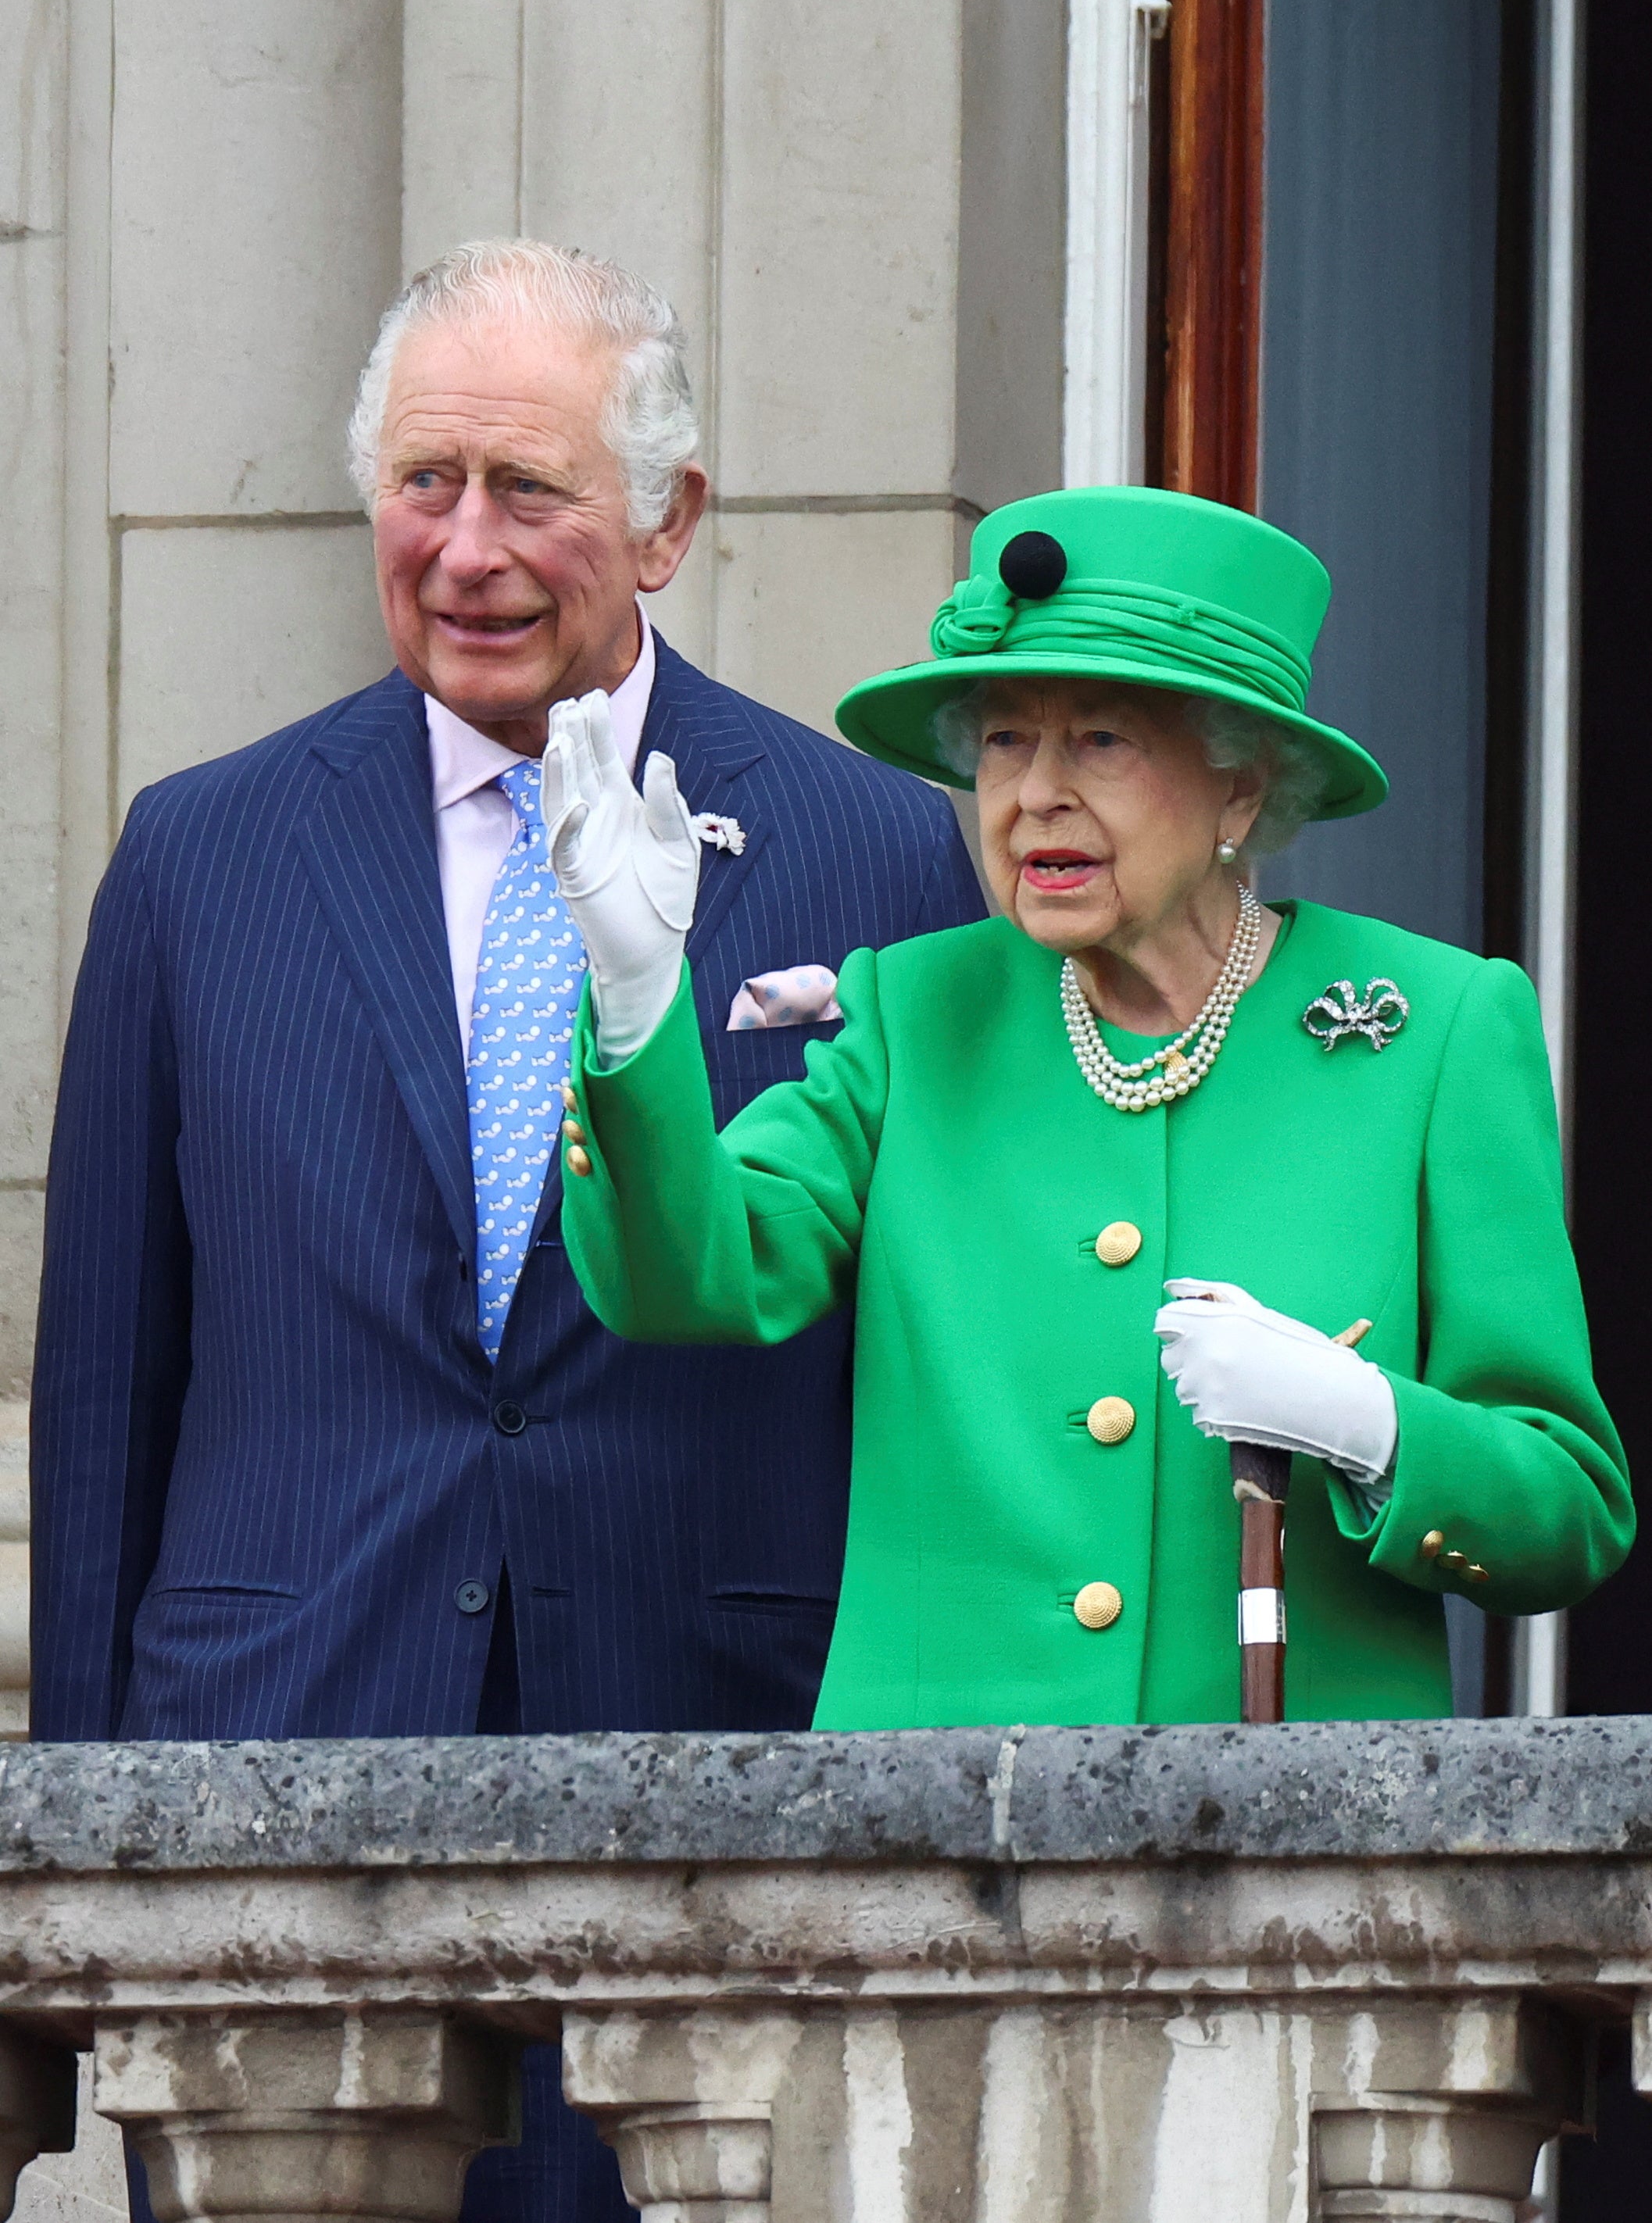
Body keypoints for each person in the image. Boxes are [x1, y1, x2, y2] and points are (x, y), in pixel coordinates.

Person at [30, 240, 984, 2223]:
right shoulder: (199, 852)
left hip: (711, 1797)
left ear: (668, 521)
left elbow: (919, 1368)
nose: (464, 547)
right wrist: (73, 1876)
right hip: (273, 1797)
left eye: (530, 491)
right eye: (421, 483)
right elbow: (112, 1385)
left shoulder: (874, 848)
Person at [549, 484, 1632, 1726]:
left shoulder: (1433, 1030)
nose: (1035, 796)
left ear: (1240, 790)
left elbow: (1567, 1513)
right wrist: (634, 995)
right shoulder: (917, 1008)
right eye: (1006, 740)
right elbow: (690, 1277)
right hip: (933, 1840)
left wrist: (1371, 1425)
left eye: (1102, 740)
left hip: (1291, 1862)